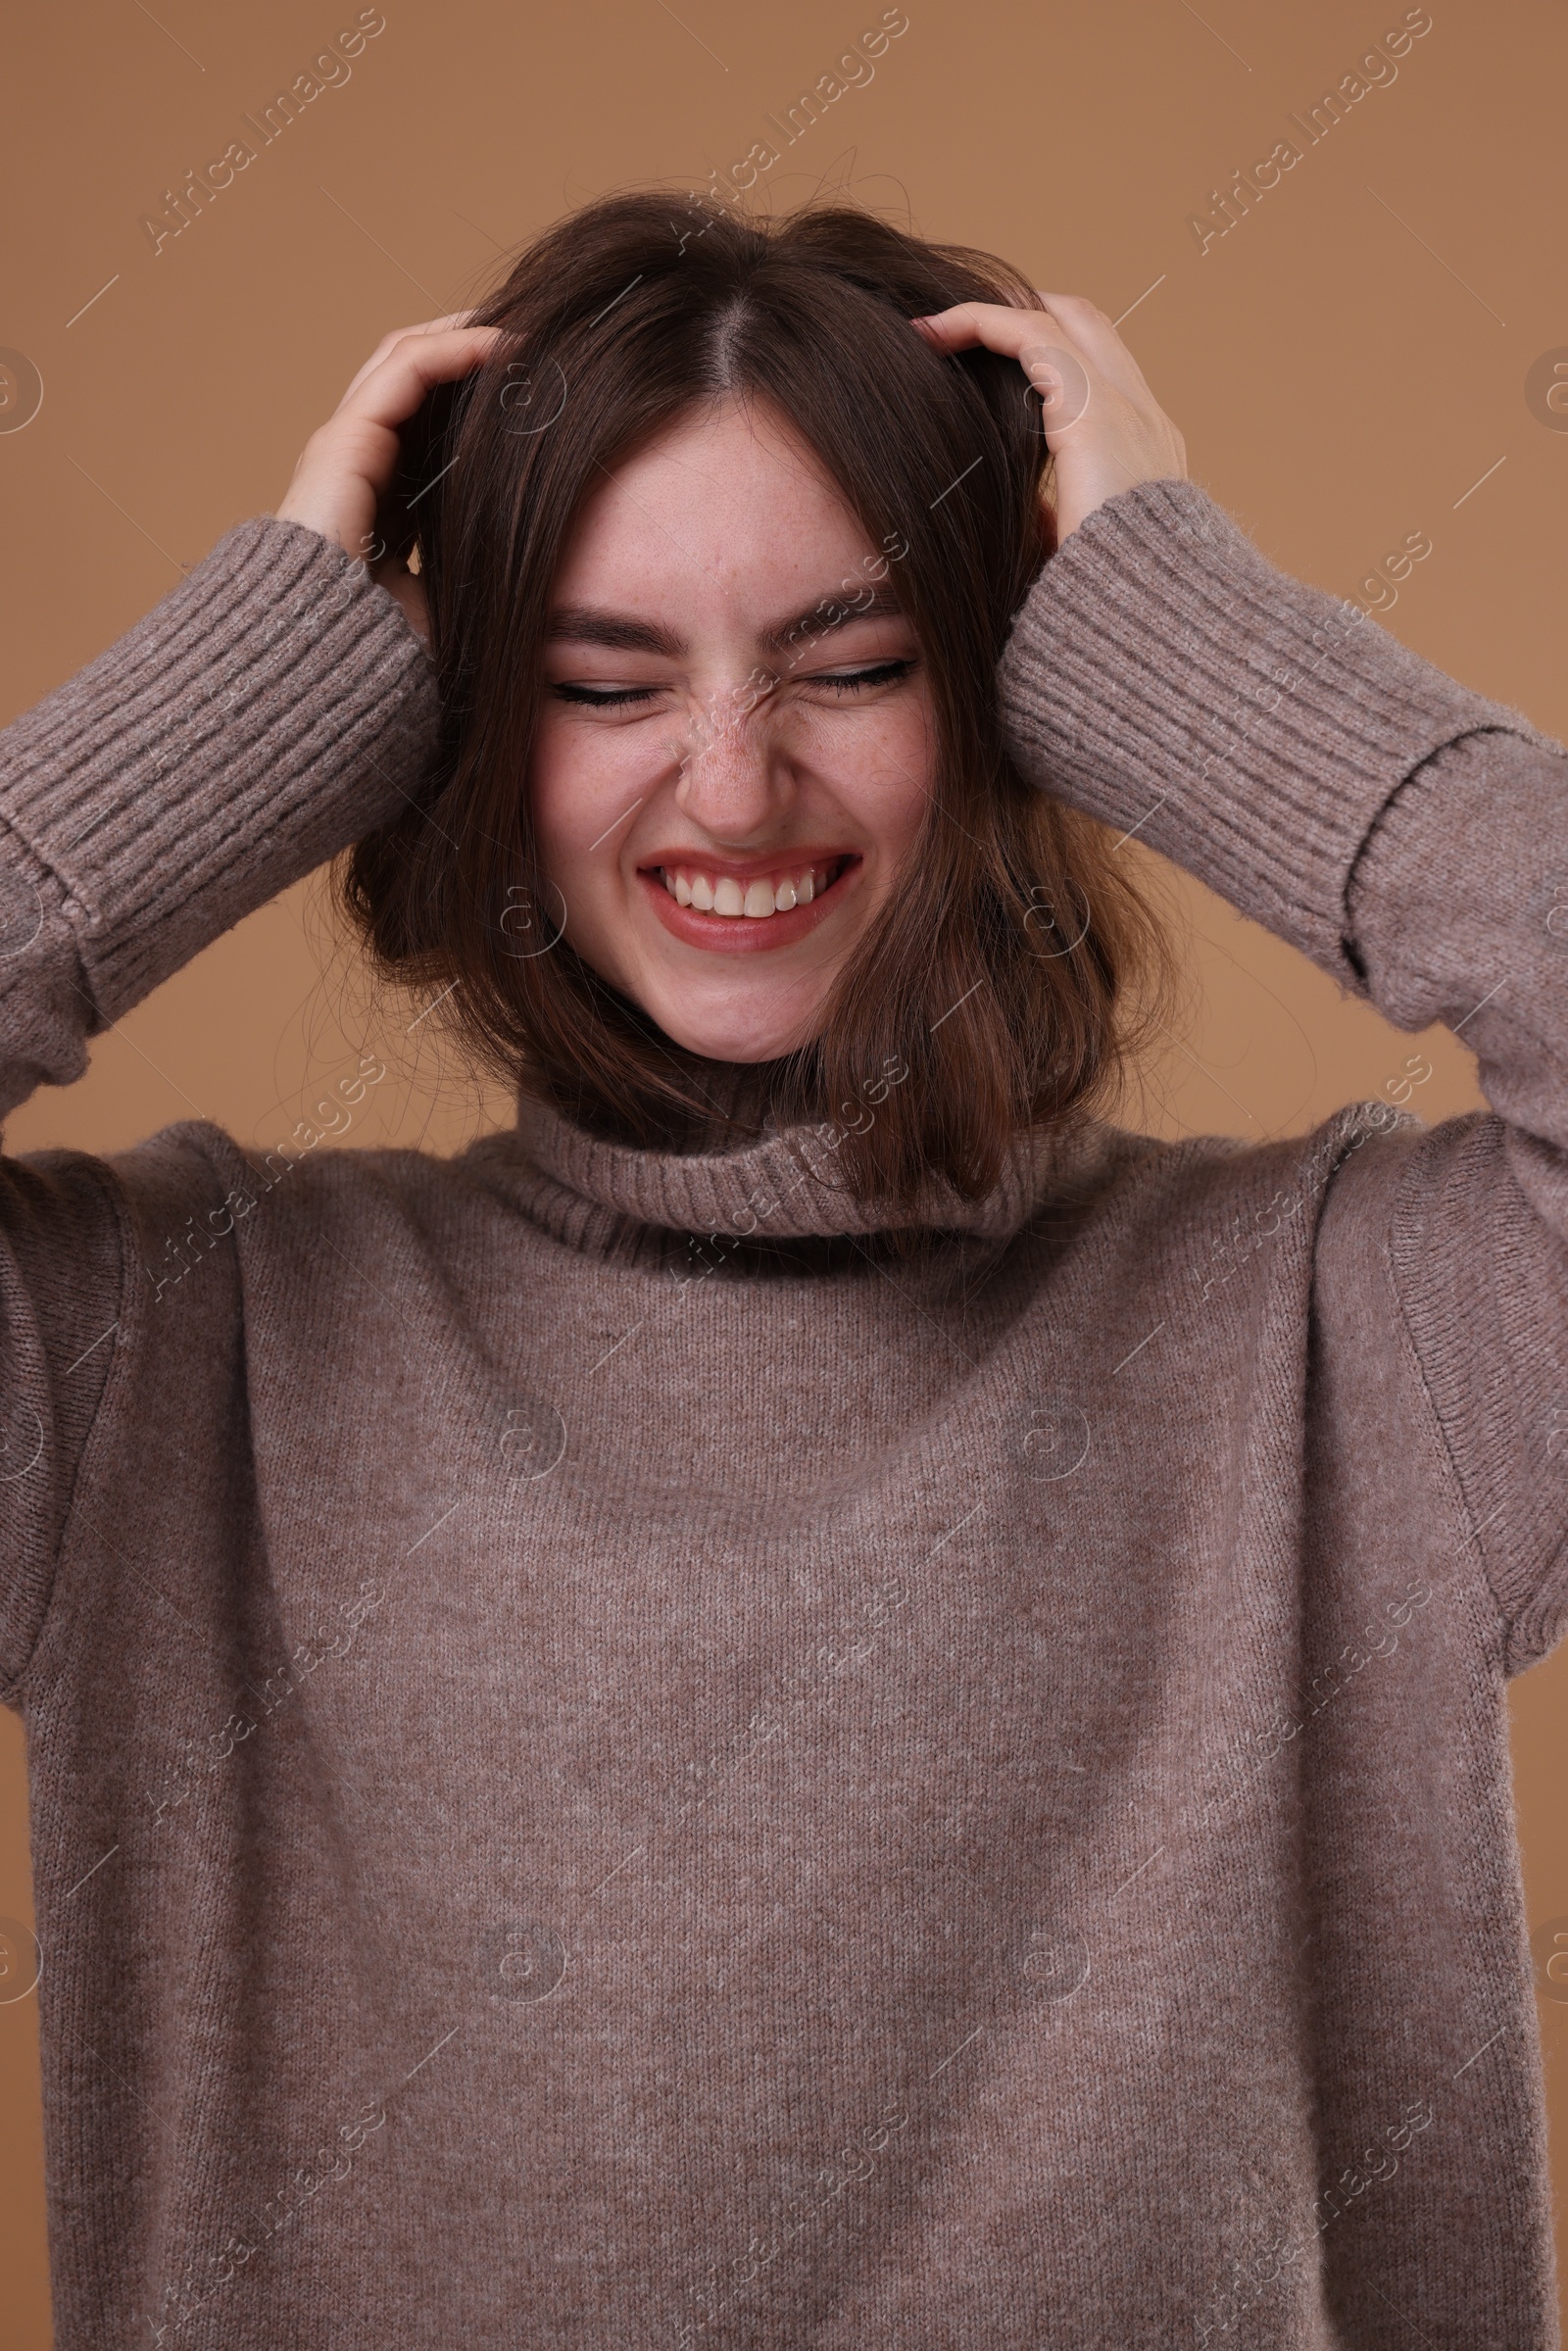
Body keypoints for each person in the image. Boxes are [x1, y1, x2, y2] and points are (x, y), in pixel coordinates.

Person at [1, 188, 1563, 2350]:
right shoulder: (164, 1362)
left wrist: (1174, 628)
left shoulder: (1346, 1336)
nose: (731, 787)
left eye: (852, 666)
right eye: (592, 681)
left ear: (1024, 695)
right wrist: (256, 681)